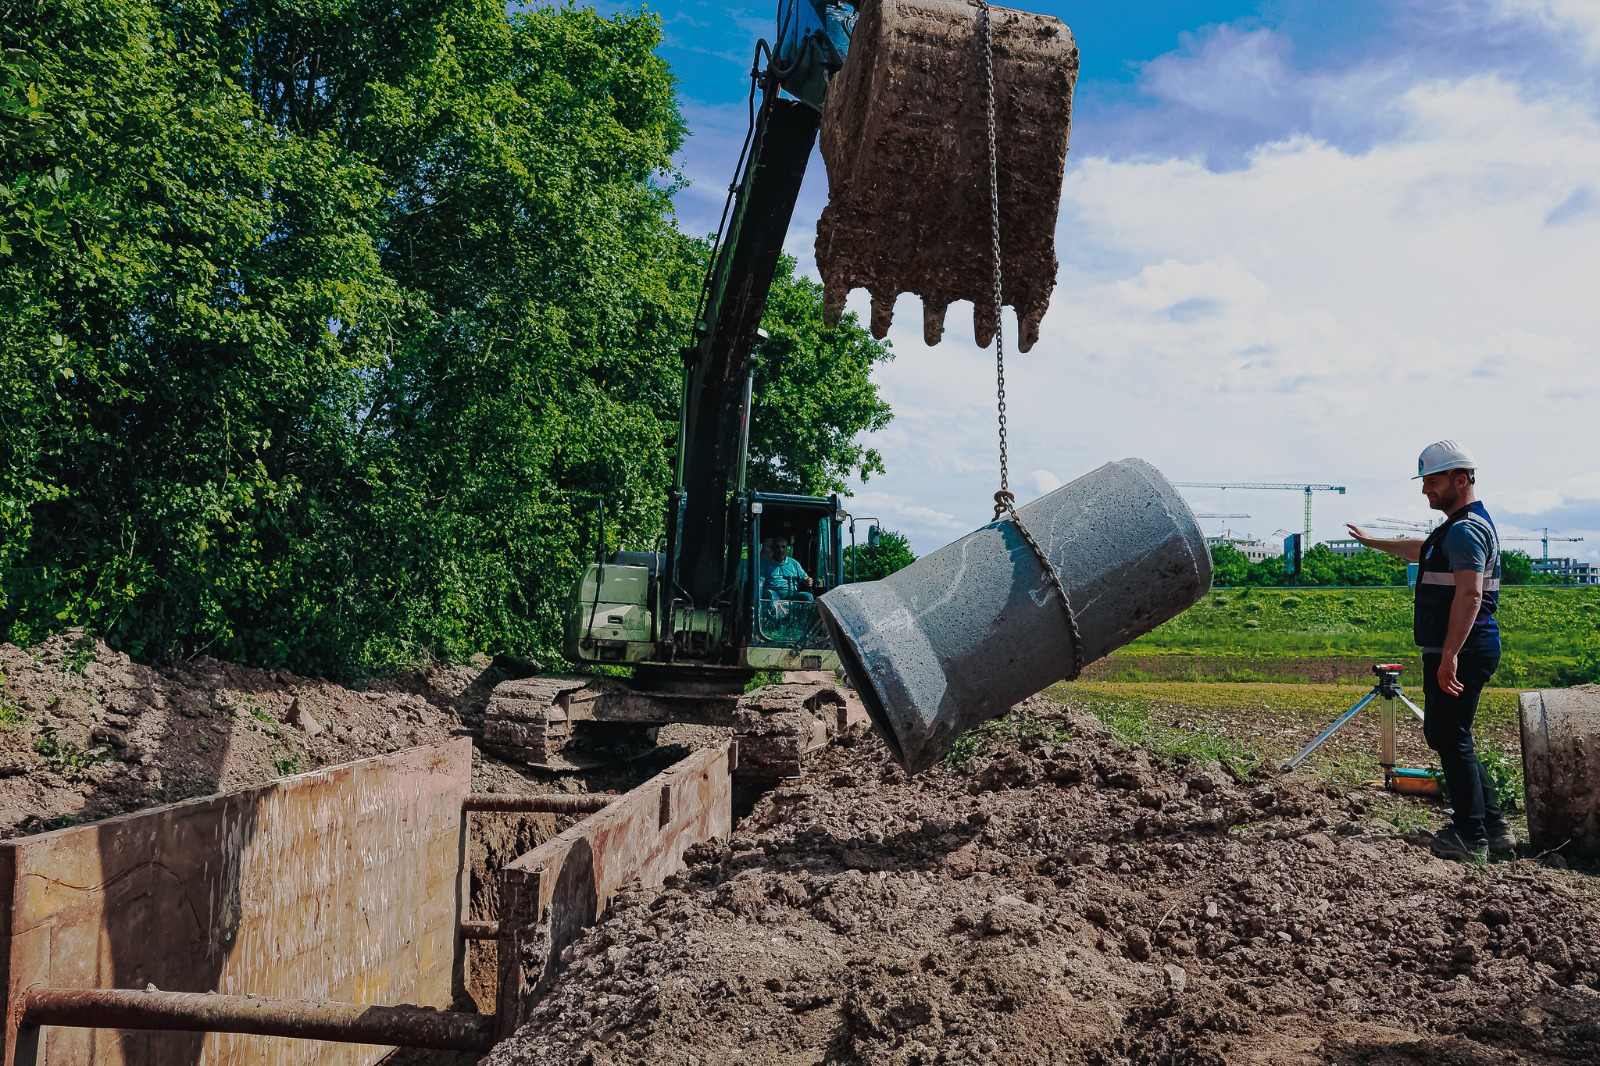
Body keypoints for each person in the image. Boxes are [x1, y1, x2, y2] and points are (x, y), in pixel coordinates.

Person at [1345, 440, 1514, 864]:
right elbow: (1422, 550)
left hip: (1463, 648)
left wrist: (1450, 655)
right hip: (1462, 647)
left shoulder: (1465, 529)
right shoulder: (1456, 529)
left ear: (1462, 479)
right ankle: (1493, 828)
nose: (1425, 491)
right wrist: (1375, 543)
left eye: (1433, 481)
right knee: (1449, 734)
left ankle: (1470, 835)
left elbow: (1470, 595)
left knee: (1450, 736)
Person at [760, 535, 815, 601]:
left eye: (783, 547)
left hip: (792, 595)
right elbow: (760, 581)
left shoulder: (794, 563)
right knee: (768, 594)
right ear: (773, 548)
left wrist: (808, 581)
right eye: (777, 547)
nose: (781, 550)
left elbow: (805, 578)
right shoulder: (766, 564)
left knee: (808, 596)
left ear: (786, 548)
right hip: (774, 594)